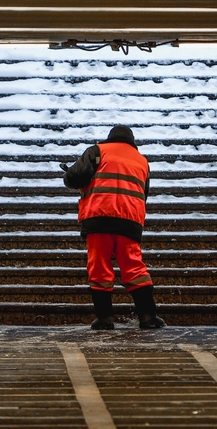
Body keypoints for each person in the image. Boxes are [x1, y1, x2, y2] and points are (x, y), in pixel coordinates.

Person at [63, 125, 166, 330]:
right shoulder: (142, 161)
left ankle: (104, 318)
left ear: (111, 138)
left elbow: (75, 177)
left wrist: (70, 175)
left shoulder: (98, 151)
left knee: (99, 267)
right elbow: (143, 192)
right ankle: (148, 316)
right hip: (129, 220)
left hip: (99, 217)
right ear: (131, 141)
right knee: (134, 267)